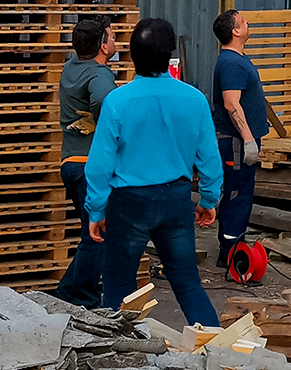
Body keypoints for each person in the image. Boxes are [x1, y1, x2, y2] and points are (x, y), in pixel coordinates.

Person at [86, 17, 222, 326]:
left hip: (128, 203)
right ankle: (219, 349)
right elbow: (209, 159)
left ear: (132, 55)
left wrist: (96, 209)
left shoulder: (117, 102)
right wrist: (209, 200)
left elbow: (99, 164)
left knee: (118, 289)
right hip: (175, 200)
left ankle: (117, 358)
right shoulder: (195, 100)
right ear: (169, 56)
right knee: (188, 284)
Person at [52, 17, 118, 307]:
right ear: (103, 46)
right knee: (99, 234)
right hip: (92, 164)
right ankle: (87, 298)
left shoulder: (71, 68)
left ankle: (67, 291)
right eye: (112, 37)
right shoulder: (99, 75)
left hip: (71, 161)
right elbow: (104, 100)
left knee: (88, 233)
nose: (115, 41)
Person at [211, 9, 269, 265]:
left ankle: (234, 244)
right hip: (236, 142)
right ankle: (230, 251)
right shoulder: (231, 63)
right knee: (236, 192)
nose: (248, 22)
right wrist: (247, 138)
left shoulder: (237, 59)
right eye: (243, 21)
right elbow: (231, 104)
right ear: (235, 31)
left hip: (242, 139)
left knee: (242, 191)